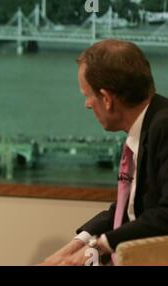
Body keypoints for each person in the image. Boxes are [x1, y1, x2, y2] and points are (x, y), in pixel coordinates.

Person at [41, 39, 168, 266]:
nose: (87, 105)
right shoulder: (148, 125)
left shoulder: (165, 127)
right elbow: (126, 210)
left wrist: (96, 249)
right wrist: (76, 245)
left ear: (107, 99)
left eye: (86, 95)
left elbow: (166, 215)